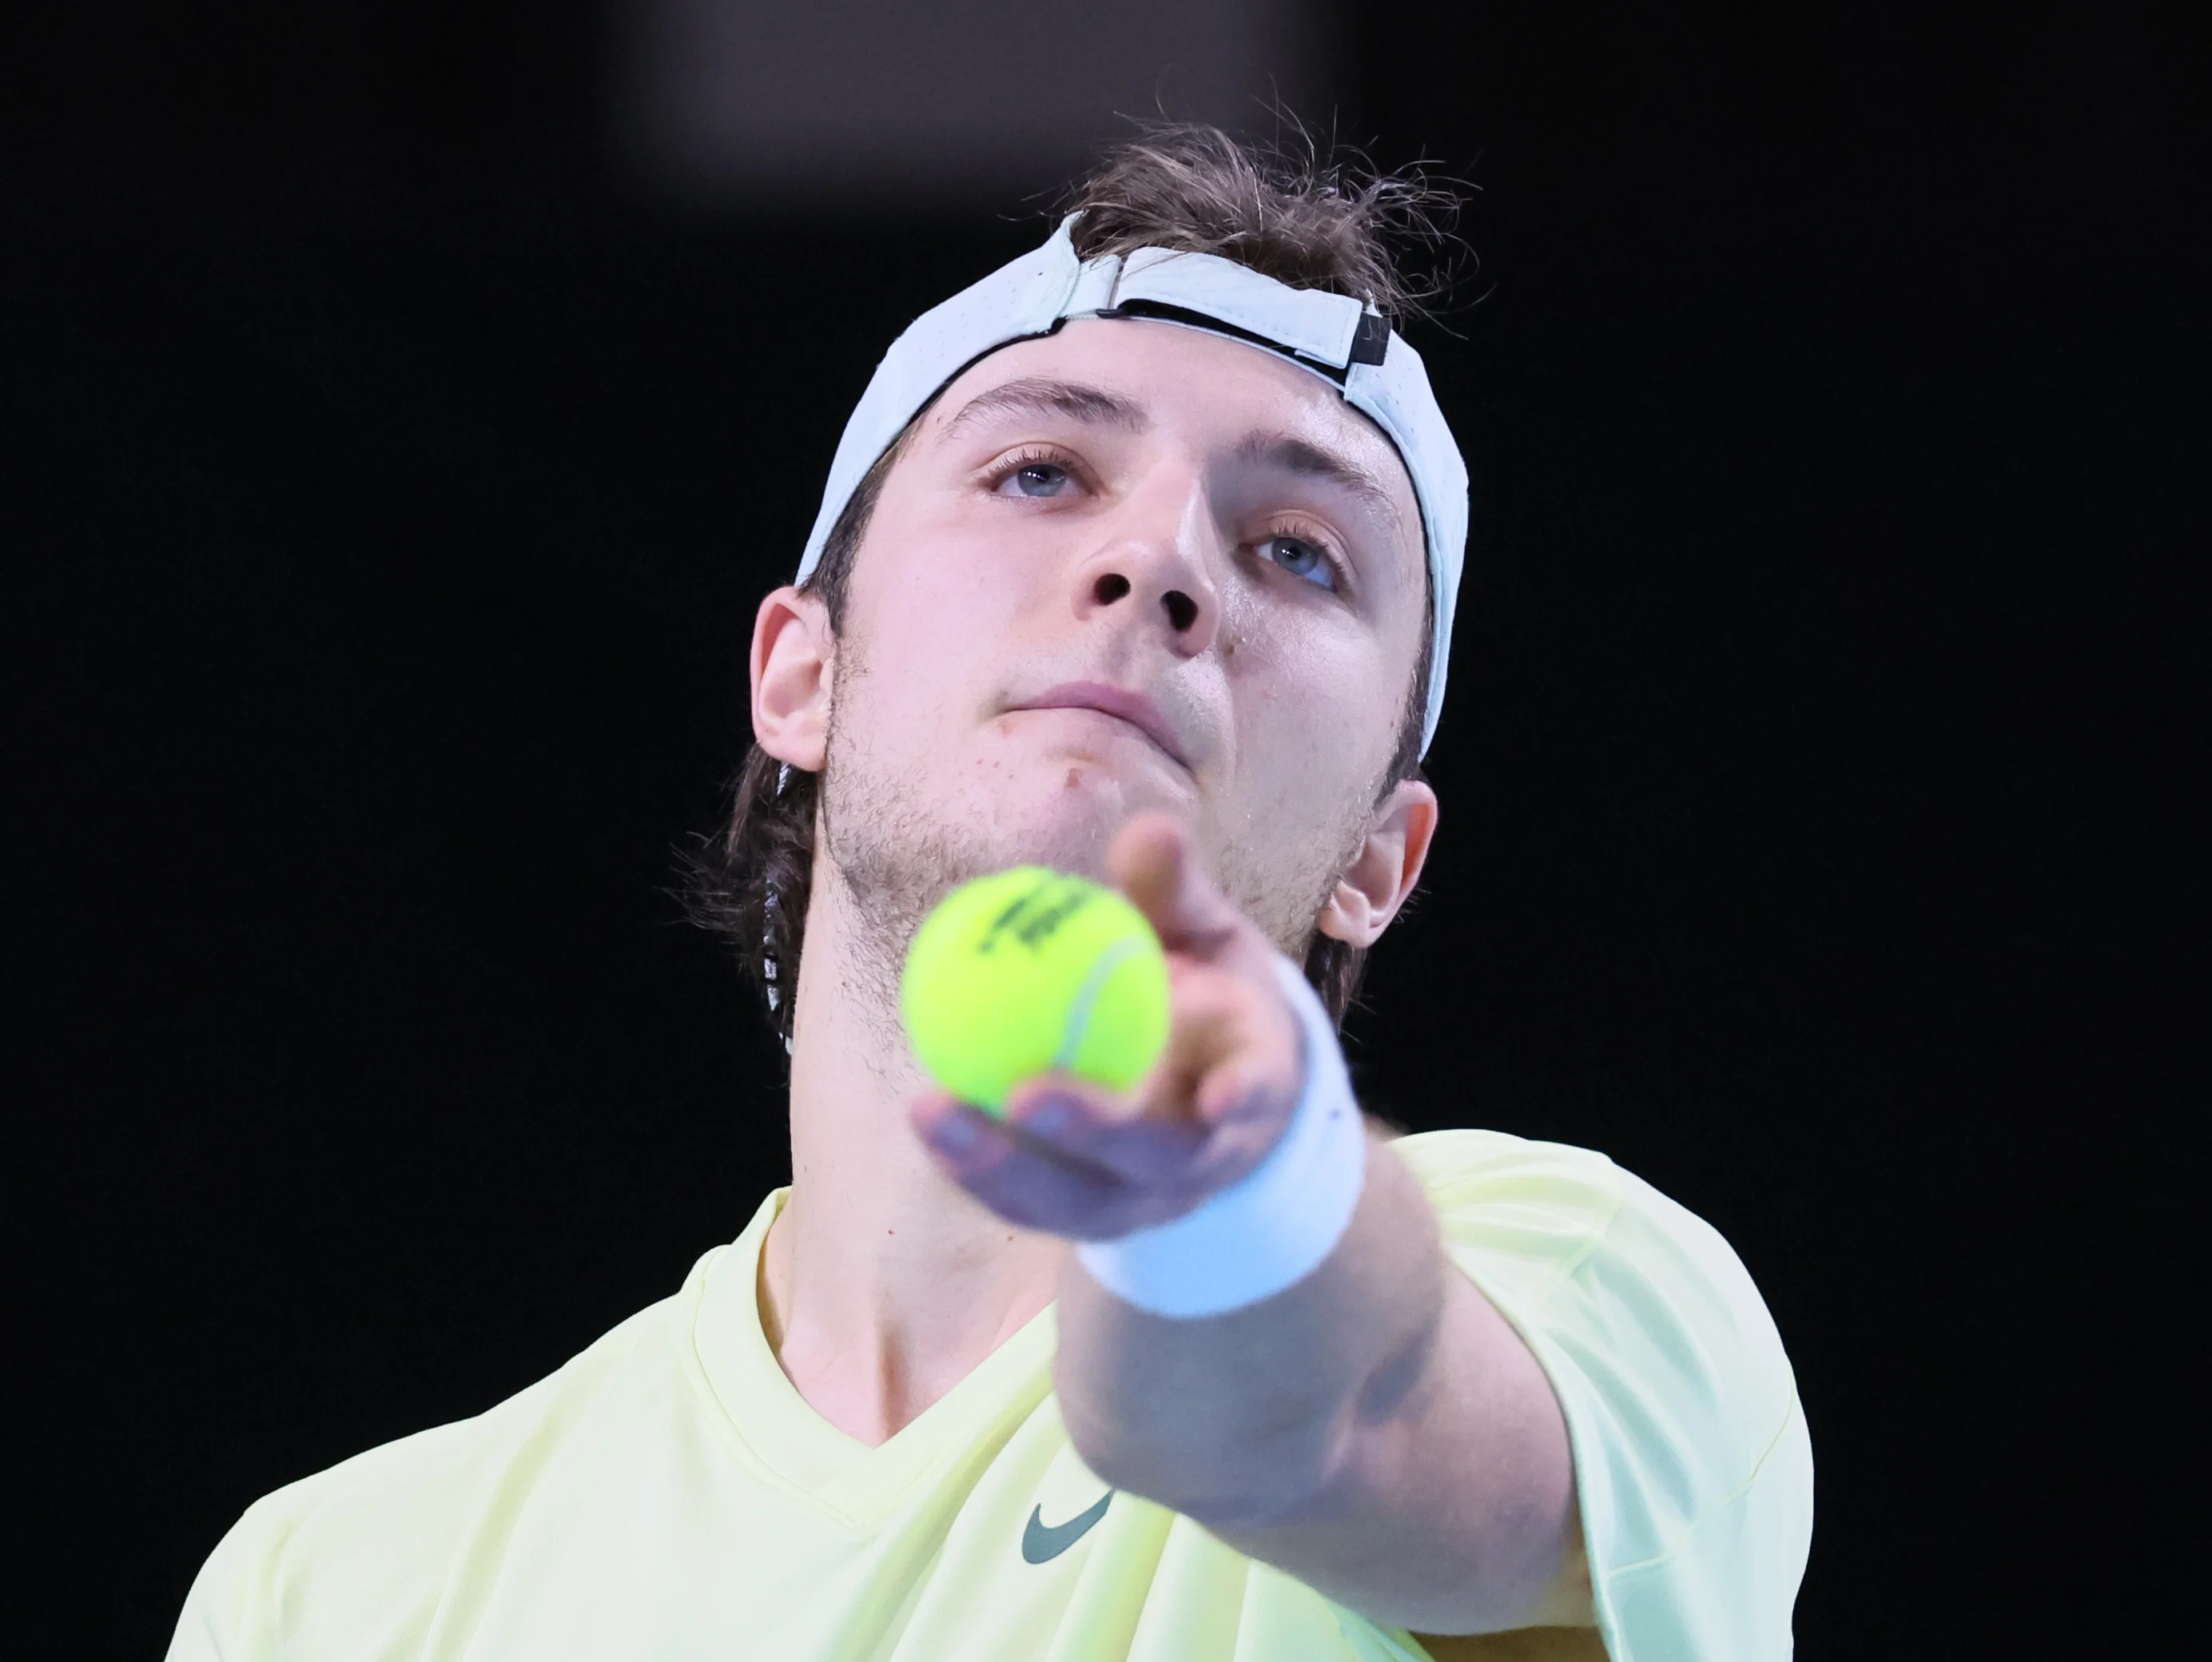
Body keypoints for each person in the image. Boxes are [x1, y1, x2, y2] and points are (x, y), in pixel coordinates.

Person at [165, 126, 1811, 1662]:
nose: (1161, 557)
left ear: (1381, 861)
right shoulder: (329, 1590)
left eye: (1299, 548)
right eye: (1040, 471)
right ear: (799, 672)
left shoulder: (1591, 1290)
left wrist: (1230, 1195)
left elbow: (1329, 1412)